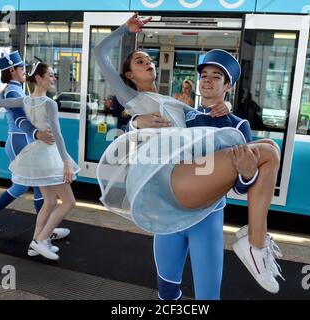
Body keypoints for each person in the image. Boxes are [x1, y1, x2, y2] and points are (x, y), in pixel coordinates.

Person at [95, 13, 282, 297]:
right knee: (167, 290)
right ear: (130, 76)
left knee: (205, 297)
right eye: (204, 76)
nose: (207, 81)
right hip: (169, 196)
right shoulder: (150, 104)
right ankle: (255, 243)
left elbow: (242, 186)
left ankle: (255, 244)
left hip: (205, 213)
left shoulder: (188, 111)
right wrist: (134, 123)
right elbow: (137, 131)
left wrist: (246, 171)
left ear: (227, 85)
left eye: (216, 77)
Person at [0, 51, 70, 245]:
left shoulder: (13, 89)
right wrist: (36, 134)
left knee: (24, 185)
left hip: (18, 141)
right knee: (38, 185)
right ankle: (44, 233)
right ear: (12, 71)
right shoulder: (14, 90)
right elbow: (20, 119)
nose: (25, 72)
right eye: (21, 69)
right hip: (20, 141)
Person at [0, 61, 80, 260]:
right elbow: (57, 135)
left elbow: (0, 102)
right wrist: (66, 161)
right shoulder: (49, 103)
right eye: (50, 75)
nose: (53, 78)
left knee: (49, 201)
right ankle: (40, 240)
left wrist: (4, 88)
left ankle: (34, 247)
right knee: (68, 202)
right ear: (39, 79)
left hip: (35, 155)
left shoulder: (25, 100)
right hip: (50, 156)